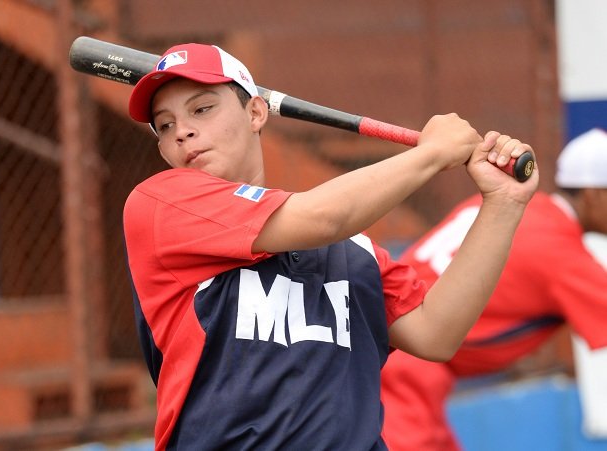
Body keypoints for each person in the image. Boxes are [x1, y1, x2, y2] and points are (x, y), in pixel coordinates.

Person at [122, 42, 538, 450]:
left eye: (202, 108)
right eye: (165, 124)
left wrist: (502, 204)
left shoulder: (352, 250)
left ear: (255, 112)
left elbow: (436, 334)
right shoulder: (160, 206)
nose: (183, 132)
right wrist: (431, 154)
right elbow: (323, 217)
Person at [380, 128, 607, 451]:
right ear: (594, 194)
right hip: (403, 364)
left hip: (388, 342)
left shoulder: (507, 201)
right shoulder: (561, 252)